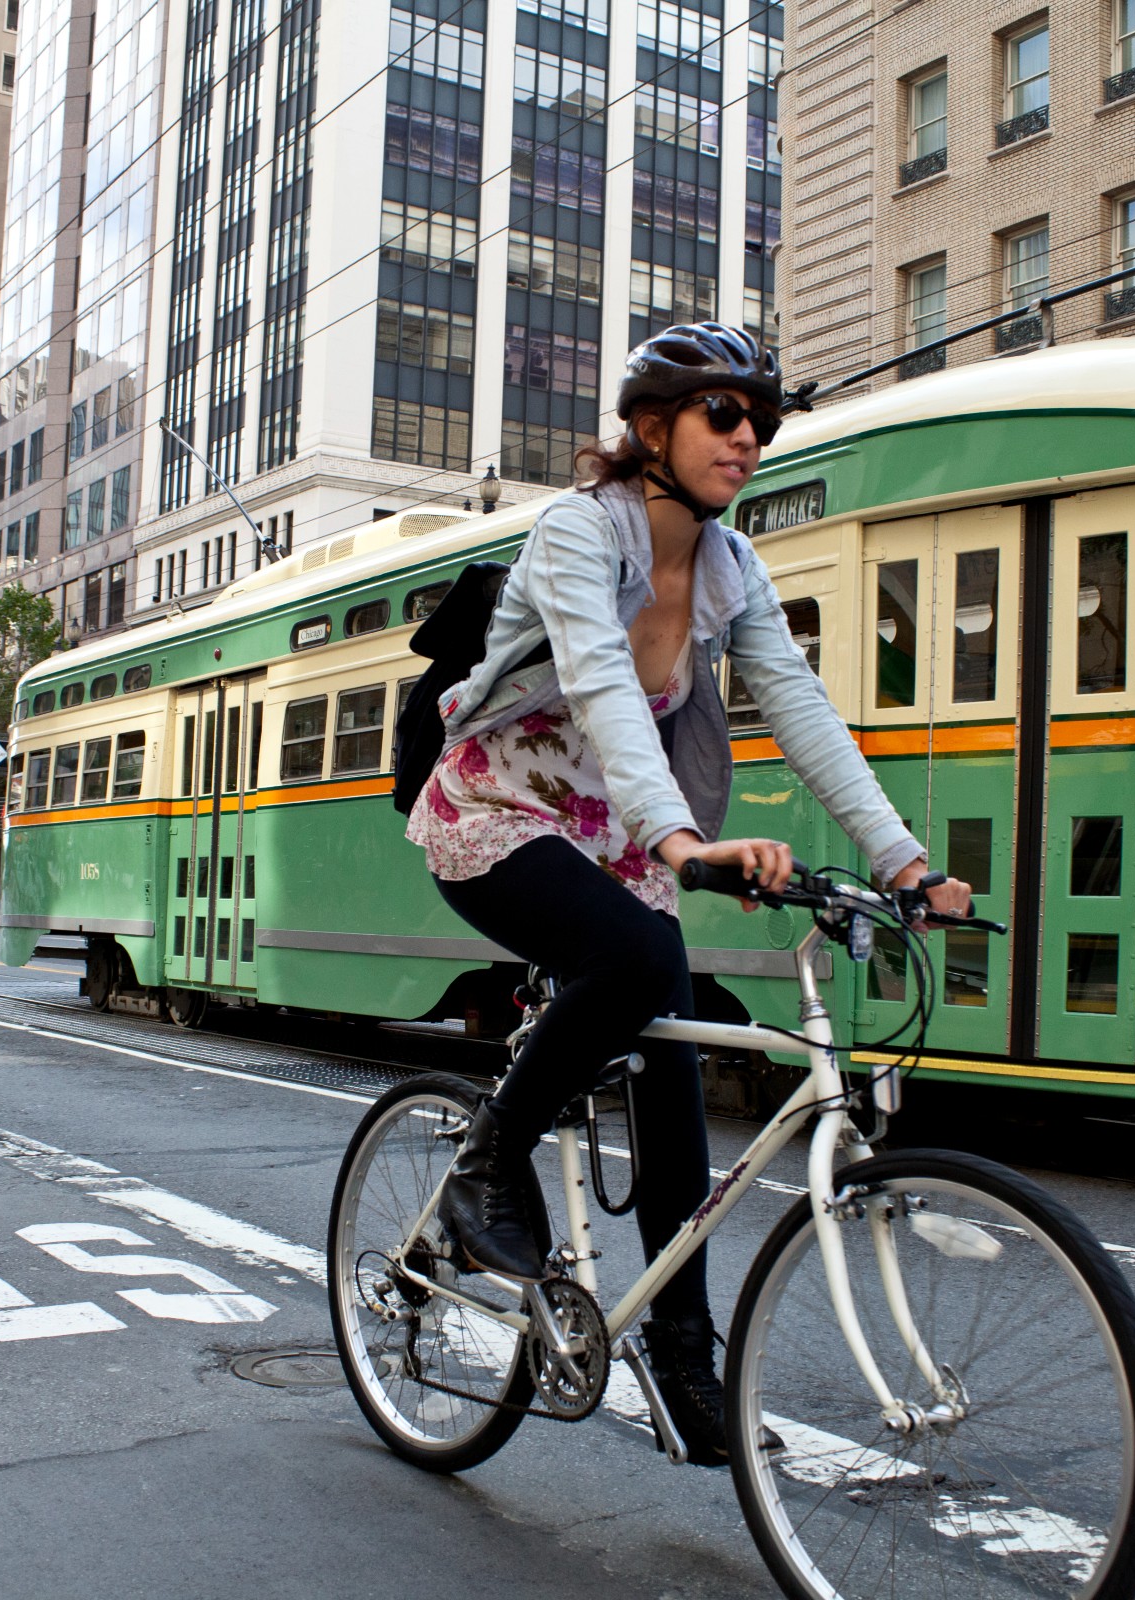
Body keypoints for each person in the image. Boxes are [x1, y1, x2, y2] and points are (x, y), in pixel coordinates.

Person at [404, 322, 972, 1466]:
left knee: (673, 1074)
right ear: (652, 428)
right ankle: (484, 1168)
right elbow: (605, 688)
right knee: (629, 962)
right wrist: (680, 842)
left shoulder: (732, 569)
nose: (749, 437)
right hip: (497, 809)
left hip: (610, 833)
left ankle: (681, 1359)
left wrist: (904, 860)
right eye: (725, 413)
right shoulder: (579, 532)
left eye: (760, 419)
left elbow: (801, 712)